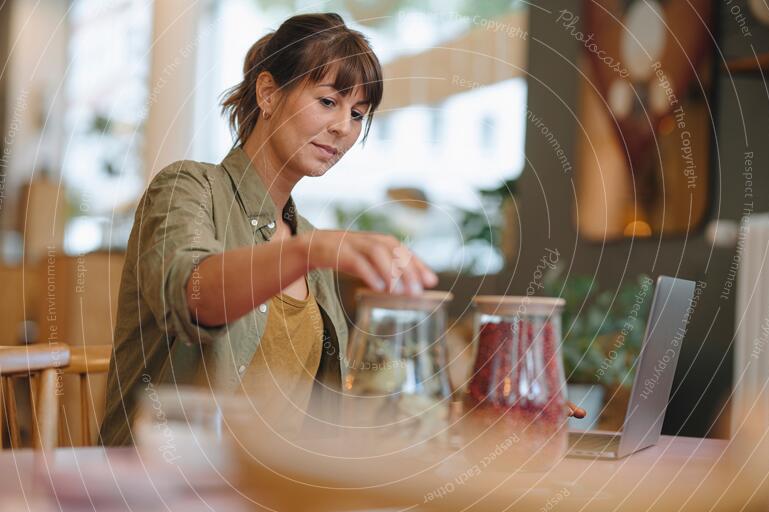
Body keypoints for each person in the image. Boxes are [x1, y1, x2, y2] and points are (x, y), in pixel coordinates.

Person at [99, 12, 583, 447]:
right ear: (268, 93)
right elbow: (195, 295)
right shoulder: (188, 188)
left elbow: (332, 408)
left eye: (357, 114)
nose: (343, 129)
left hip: (278, 496)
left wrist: (486, 404)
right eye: (328, 101)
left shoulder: (308, 241)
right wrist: (310, 251)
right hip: (167, 485)